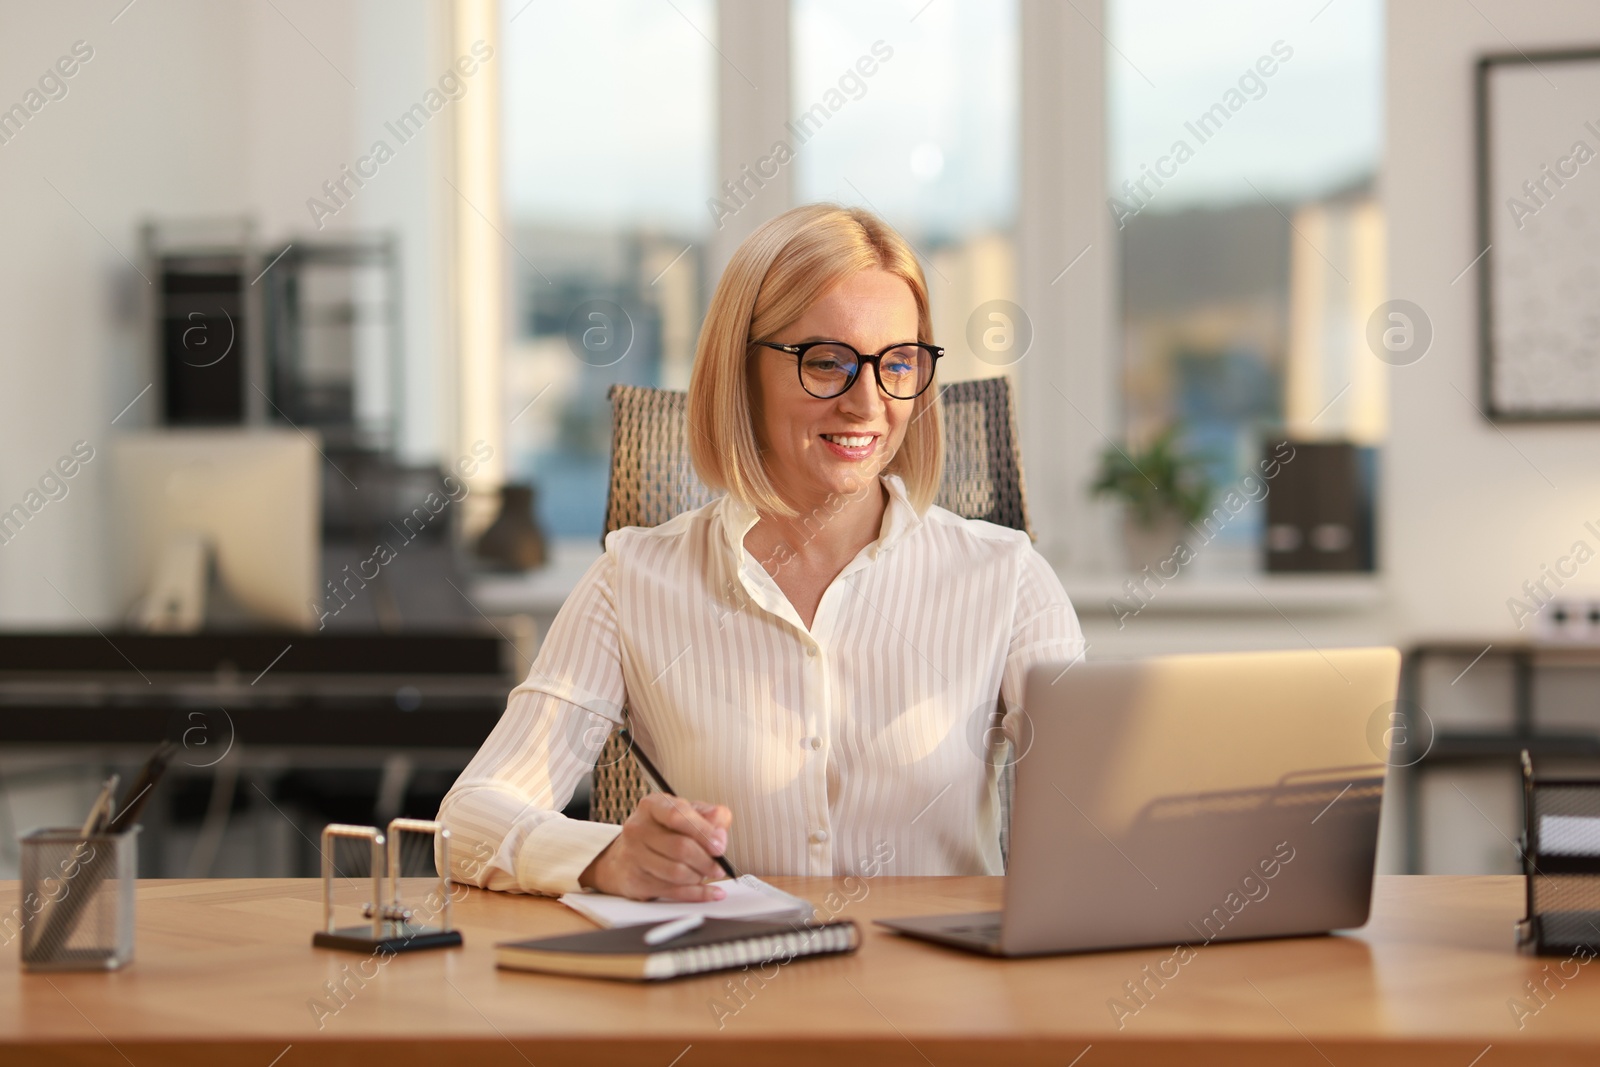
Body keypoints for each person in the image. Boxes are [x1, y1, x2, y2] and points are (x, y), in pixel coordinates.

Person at [438, 203, 1085, 901]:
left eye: (898, 362)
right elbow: (465, 820)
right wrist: (604, 856)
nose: (868, 403)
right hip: (725, 992)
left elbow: (1109, 809)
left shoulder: (1007, 577)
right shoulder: (633, 580)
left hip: (941, 999)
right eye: (827, 361)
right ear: (742, 371)